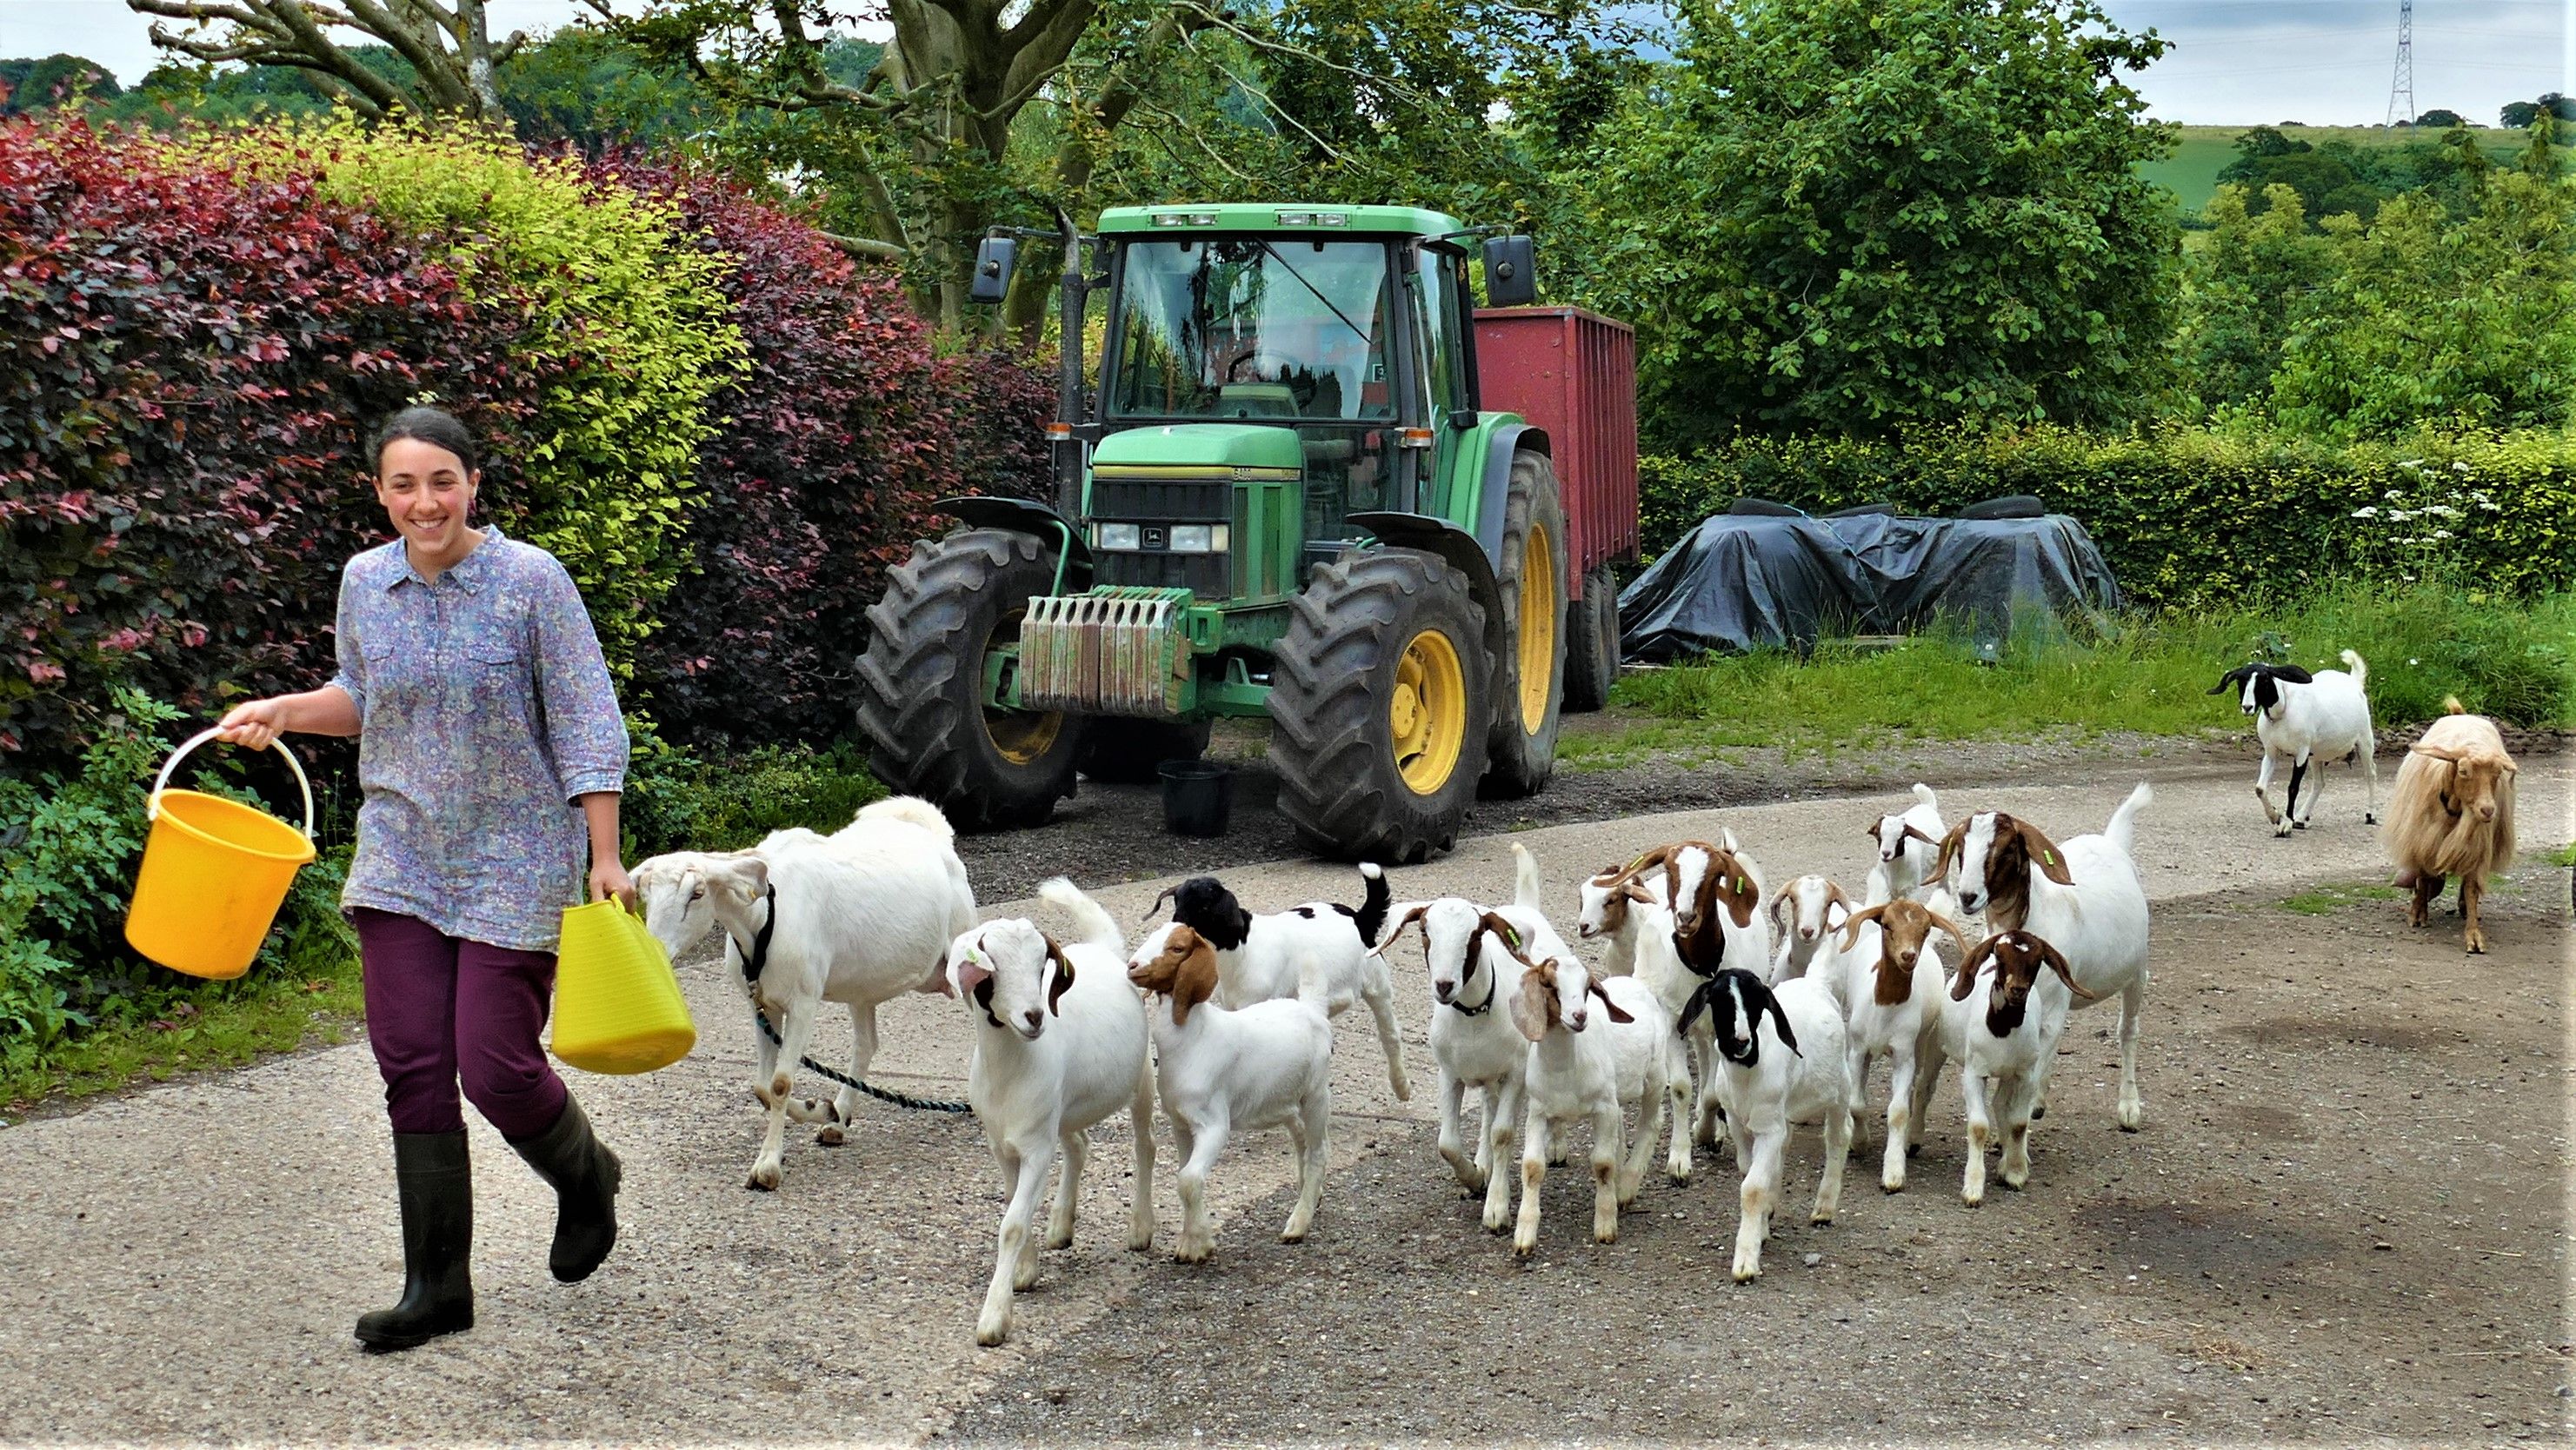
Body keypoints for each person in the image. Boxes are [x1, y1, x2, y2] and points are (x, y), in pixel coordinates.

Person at [217, 406, 633, 1353]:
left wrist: (602, 853)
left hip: (516, 850)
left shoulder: (530, 581)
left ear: (471, 483)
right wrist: (286, 710)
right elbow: (361, 697)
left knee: (493, 1065)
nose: (424, 501)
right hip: (402, 849)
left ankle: (584, 1177)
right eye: (403, 484)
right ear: (380, 493)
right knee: (411, 1062)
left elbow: (584, 717)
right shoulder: (366, 581)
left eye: (441, 480)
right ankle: (436, 1288)